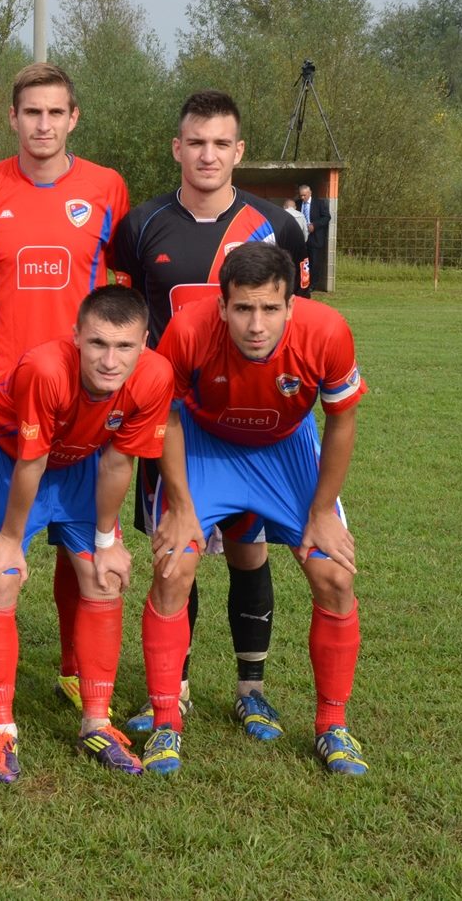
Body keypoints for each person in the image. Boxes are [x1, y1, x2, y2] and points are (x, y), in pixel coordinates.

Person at [106, 89, 309, 739]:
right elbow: (125, 320)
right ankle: (177, 687)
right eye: (196, 142)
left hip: (251, 422)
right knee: (177, 552)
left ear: (239, 150)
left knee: (249, 550)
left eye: (221, 143)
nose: (208, 154)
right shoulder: (140, 227)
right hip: (174, 421)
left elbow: (291, 320)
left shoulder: (277, 225)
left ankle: (252, 688)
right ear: (177, 148)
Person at [144, 241, 367, 776]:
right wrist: (178, 505)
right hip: (206, 446)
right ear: (222, 306)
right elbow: (167, 418)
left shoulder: (328, 332)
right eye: (243, 308)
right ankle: (165, 722)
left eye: (270, 308)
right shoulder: (190, 330)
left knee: (334, 577)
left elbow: (342, 421)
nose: (256, 324)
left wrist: (319, 514)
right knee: (173, 567)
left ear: (292, 305)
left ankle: (333, 726)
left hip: (284, 448)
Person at [0, 62, 131, 721]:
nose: (44, 124)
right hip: (4, 394)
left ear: (74, 117)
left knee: (76, 538)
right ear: (13, 117)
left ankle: (72, 668)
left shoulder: (107, 188)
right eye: (32, 112)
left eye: (56, 113)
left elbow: (115, 284)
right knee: (0, 547)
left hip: (88, 395)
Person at [0, 285, 171, 782]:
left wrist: (106, 541)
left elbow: (121, 459)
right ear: (76, 335)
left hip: (83, 458)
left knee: (104, 578)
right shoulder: (45, 369)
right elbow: (31, 460)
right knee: (1, 577)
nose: (109, 359)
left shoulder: (155, 375)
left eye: (124, 346)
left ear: (144, 342)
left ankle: (95, 722)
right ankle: (1, 733)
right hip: (8, 455)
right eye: (98, 343)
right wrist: (11, 539)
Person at [298, 184, 330, 294]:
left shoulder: (319, 203)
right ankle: (302, 284)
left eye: (304, 195)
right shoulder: (298, 204)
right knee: (303, 262)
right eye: (301, 195)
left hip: (315, 238)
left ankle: (313, 285)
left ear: (310, 193)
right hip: (302, 238)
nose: (302, 198)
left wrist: (315, 225)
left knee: (314, 262)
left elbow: (327, 217)